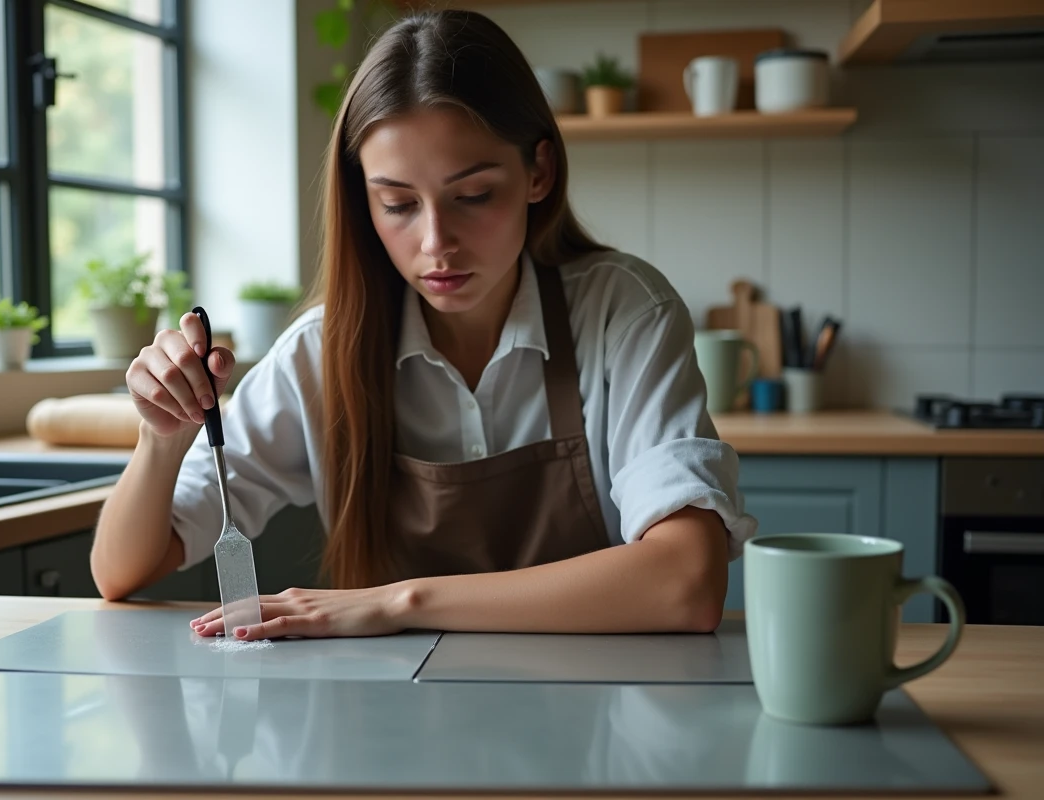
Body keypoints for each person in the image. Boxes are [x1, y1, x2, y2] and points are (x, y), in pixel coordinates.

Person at [90, 9, 756, 641]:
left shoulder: (622, 311)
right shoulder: (323, 354)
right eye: (398, 204)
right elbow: (122, 571)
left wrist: (399, 602)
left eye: (473, 196)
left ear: (539, 172)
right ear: (364, 200)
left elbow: (688, 582)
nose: (437, 242)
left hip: (598, 726)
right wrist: (161, 439)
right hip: (389, 734)